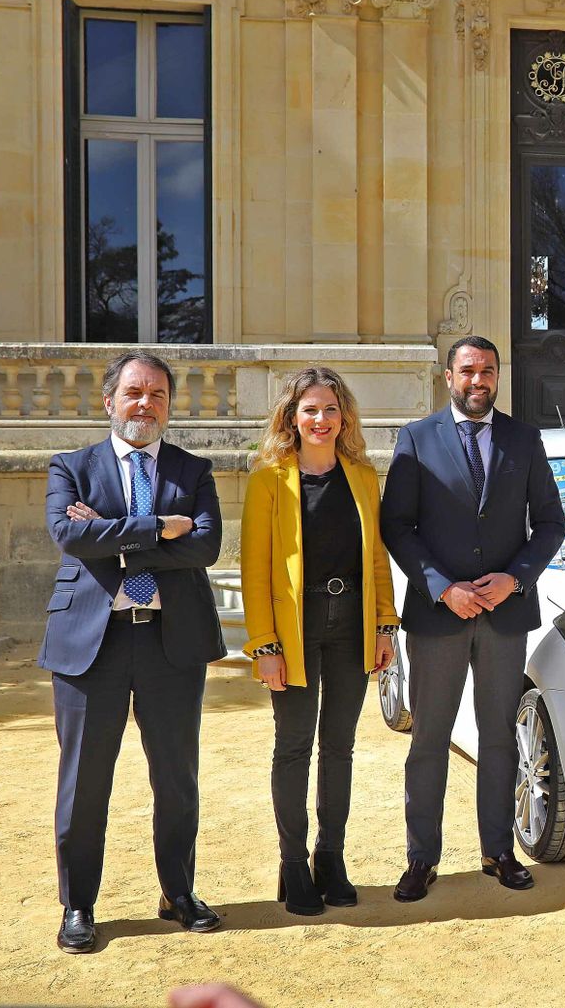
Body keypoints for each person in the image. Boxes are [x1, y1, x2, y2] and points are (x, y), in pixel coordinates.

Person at [41, 351, 225, 953]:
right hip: (92, 645)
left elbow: (204, 547)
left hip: (171, 644)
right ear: (109, 400)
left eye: (158, 395)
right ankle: (79, 906)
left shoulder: (192, 471)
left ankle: (179, 891)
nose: (145, 404)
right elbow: (70, 534)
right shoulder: (70, 466)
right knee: (85, 781)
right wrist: (154, 527)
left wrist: (112, 536)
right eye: (134, 393)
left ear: (170, 405)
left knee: (176, 777)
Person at [380, 335, 565, 901]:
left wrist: (516, 577)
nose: (478, 381)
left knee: (499, 739)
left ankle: (498, 851)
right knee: (430, 740)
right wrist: (441, 587)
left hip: (506, 615)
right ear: (448, 375)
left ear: (497, 376)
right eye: (468, 371)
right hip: (439, 616)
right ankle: (421, 860)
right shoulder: (415, 439)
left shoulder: (523, 439)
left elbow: (550, 525)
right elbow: (398, 526)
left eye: (488, 371)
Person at [239, 367, 400, 914]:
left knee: (340, 747)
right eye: (310, 409)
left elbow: (377, 558)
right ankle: (292, 864)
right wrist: (264, 647)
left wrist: (385, 627)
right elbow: (255, 571)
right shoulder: (268, 479)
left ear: (344, 416)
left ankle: (330, 858)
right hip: (294, 630)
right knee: (293, 749)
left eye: (331, 409)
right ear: (292, 417)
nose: (321, 419)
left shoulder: (361, 476)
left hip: (351, 625)